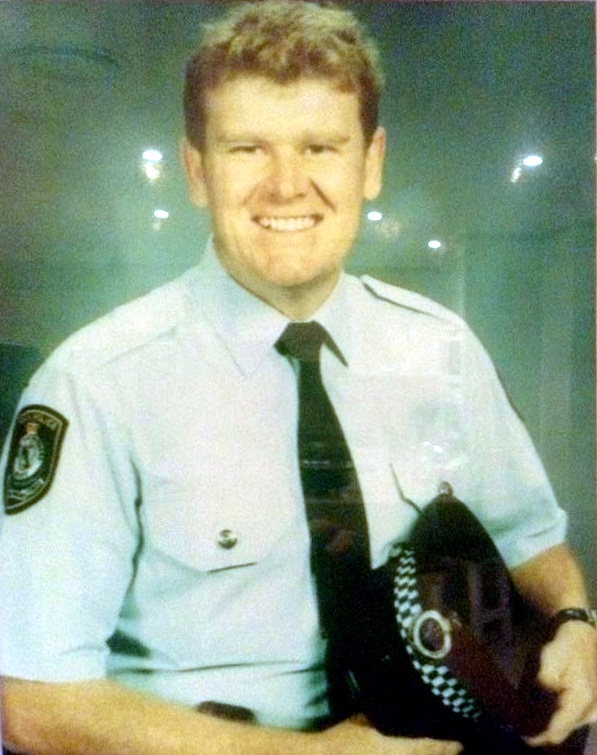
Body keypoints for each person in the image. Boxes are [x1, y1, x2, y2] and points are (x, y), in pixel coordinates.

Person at [1, 2, 596, 754]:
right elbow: (28, 700)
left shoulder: (441, 349)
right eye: (247, 148)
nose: (287, 186)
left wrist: (575, 621)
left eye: (320, 147)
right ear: (197, 170)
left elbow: (525, 534)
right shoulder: (94, 386)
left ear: (370, 163)